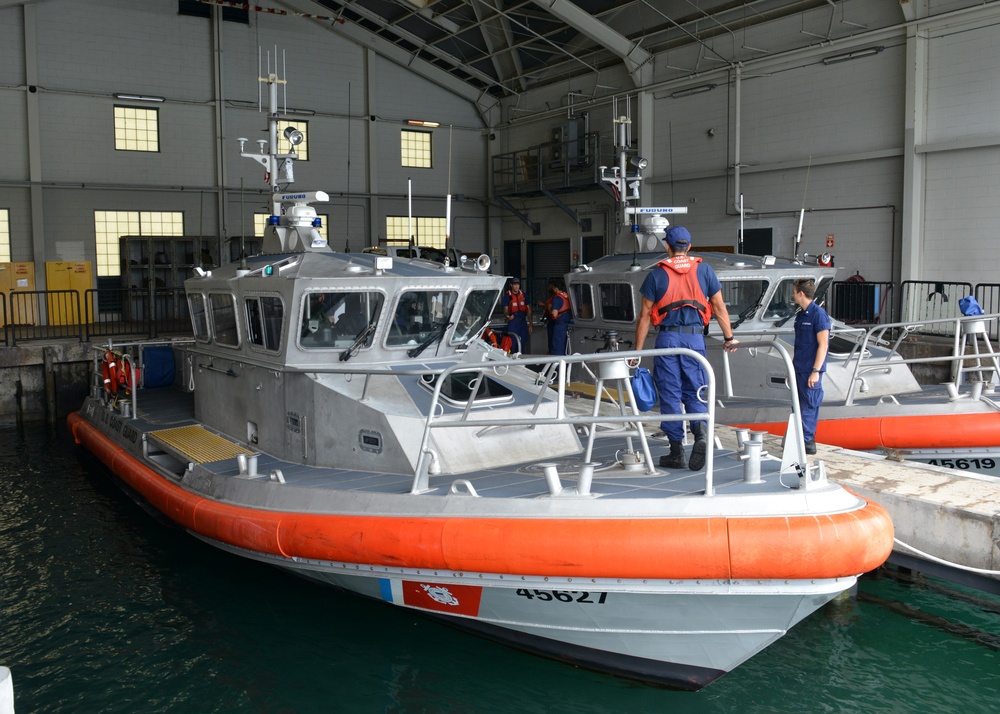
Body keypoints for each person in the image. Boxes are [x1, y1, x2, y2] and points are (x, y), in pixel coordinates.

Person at [634, 226, 739, 471]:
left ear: (667, 248)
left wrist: (638, 352)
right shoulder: (705, 271)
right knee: (695, 389)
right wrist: (729, 337)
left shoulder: (656, 275)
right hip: (694, 340)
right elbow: (720, 307)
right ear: (689, 247)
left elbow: (645, 316)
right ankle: (700, 435)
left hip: (667, 340)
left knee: (670, 392)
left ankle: (676, 452)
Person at [792, 278, 830, 455]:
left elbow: (823, 345)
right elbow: (799, 345)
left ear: (801, 293)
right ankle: (797, 438)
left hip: (810, 369)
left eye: (794, 292)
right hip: (799, 368)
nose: (792, 296)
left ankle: (807, 442)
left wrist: (815, 371)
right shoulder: (801, 316)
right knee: (797, 405)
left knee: (809, 405)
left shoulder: (818, 315)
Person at [501, 279, 532, 353]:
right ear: (511, 285)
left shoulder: (524, 295)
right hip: (513, 322)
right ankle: (512, 361)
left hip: (523, 322)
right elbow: (505, 309)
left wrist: (531, 324)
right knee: (513, 343)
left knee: (523, 343)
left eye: (518, 284)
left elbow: (528, 310)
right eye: (514, 284)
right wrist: (508, 316)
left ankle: (521, 361)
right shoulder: (507, 296)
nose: (516, 286)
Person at [546, 278, 572, 356]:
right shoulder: (566, 296)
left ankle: (557, 367)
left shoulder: (557, 299)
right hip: (568, 325)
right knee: (565, 348)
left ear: (556, 288)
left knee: (557, 349)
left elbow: (554, 314)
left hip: (559, 326)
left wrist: (549, 308)